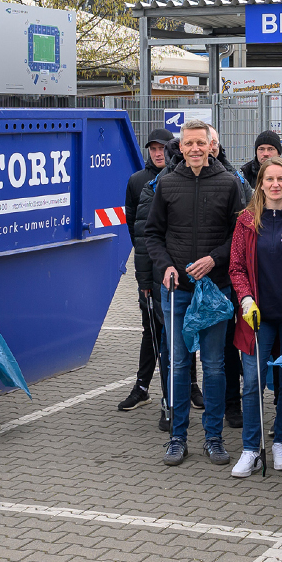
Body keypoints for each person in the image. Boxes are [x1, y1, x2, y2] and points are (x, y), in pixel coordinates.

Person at [146, 119, 250, 467]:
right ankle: (177, 438)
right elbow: (153, 235)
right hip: (177, 291)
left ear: (210, 146)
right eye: (188, 144)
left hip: (215, 290)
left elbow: (239, 237)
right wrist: (165, 268)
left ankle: (214, 438)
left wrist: (214, 258)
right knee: (177, 365)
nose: (194, 149)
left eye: (199, 143)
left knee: (216, 367)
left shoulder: (228, 184)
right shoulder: (167, 184)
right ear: (181, 146)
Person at [227, 156, 282, 477]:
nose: (276, 184)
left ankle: (280, 442)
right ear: (260, 184)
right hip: (257, 318)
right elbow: (236, 267)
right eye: (269, 179)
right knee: (252, 383)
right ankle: (251, 448)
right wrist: (246, 299)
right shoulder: (247, 221)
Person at [120, 128, 174, 414]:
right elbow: (135, 228)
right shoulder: (137, 181)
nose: (157, 152)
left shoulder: (180, 176)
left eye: (161, 147)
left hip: (176, 273)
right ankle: (142, 387)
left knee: (179, 335)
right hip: (149, 273)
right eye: (152, 148)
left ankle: (186, 388)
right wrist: (146, 266)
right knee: (151, 331)